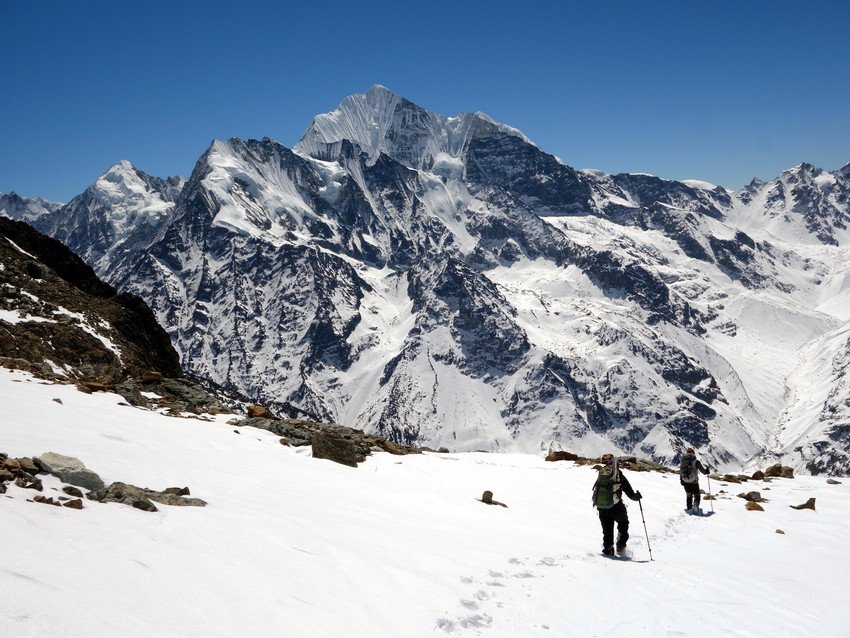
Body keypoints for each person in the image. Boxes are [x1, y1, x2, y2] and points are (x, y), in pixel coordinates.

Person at [592, 453, 642, 556]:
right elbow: (629, 492)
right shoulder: (617, 473)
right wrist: (637, 497)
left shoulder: (601, 473)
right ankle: (620, 545)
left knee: (607, 530)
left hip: (602, 507)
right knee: (623, 523)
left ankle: (608, 548)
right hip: (616, 507)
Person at [679, 447, 710, 513]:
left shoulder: (683, 461)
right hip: (694, 482)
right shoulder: (696, 461)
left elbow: (681, 471)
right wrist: (707, 471)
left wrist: (681, 480)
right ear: (693, 453)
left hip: (685, 481)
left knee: (689, 495)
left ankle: (689, 508)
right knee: (697, 495)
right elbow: (703, 471)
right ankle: (696, 506)